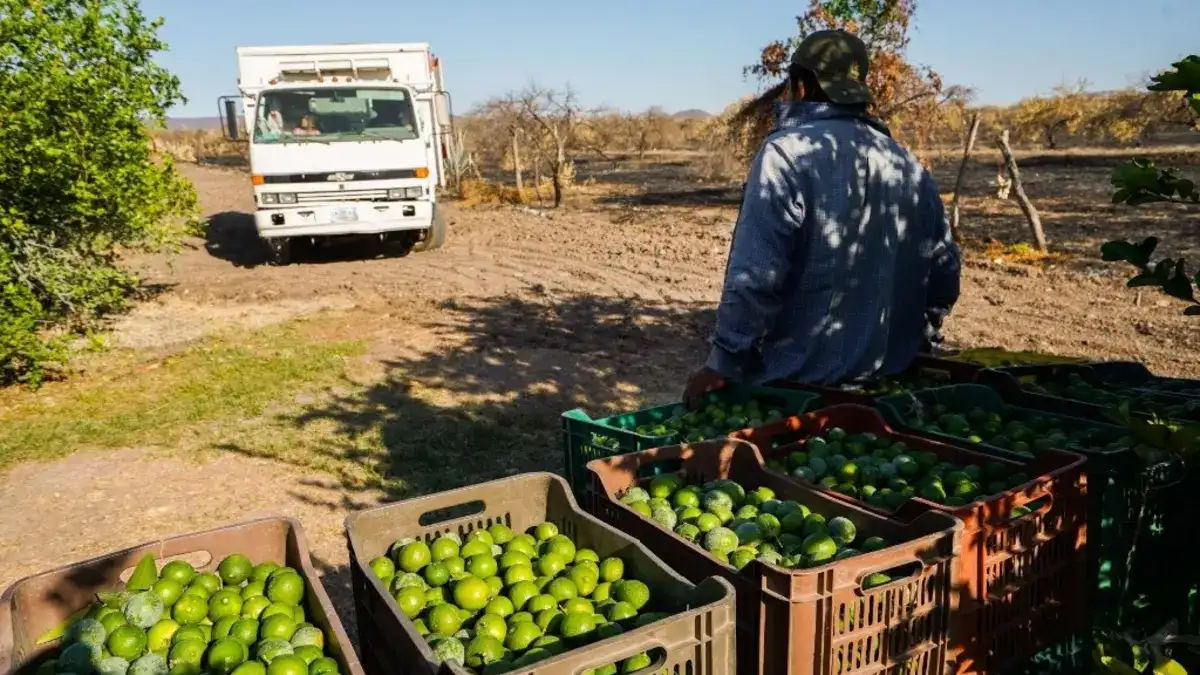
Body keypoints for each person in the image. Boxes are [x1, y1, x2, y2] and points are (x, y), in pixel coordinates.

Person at [683, 29, 961, 408]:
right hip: (890, 390)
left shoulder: (786, 154)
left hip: (797, 396)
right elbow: (944, 272)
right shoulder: (906, 162)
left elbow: (755, 277)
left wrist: (723, 362)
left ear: (799, 86)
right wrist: (918, 337)